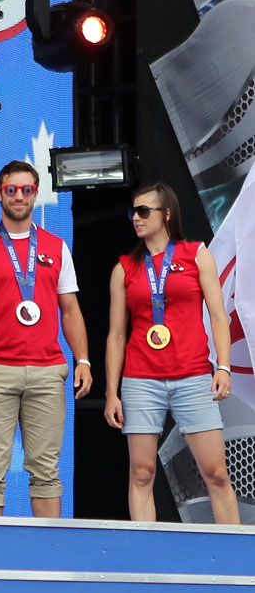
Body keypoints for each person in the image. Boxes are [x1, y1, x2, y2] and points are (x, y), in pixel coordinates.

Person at [0, 160, 92, 518]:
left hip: (47, 370)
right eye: (11, 189)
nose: (19, 196)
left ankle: (49, 563)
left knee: (46, 472)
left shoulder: (56, 247)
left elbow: (70, 310)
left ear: (36, 194)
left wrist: (84, 360)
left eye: (27, 190)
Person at [104, 182, 238, 523]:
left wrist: (223, 366)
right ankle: (145, 561)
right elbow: (116, 336)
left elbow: (219, 316)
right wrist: (111, 392)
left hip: (193, 375)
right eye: (132, 211)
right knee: (142, 473)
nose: (136, 217)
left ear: (166, 214)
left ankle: (234, 563)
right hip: (140, 380)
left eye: (143, 211)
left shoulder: (196, 254)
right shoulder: (123, 268)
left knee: (217, 475)